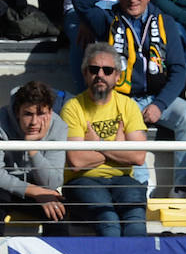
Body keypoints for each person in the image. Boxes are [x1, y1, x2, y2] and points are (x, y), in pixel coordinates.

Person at [71, 0, 186, 196]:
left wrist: (159, 105)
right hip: (121, 99)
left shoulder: (166, 22)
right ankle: (140, 190)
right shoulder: (107, 19)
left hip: (160, 97)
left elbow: (179, 70)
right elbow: (80, 2)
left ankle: (183, 188)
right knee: (128, 128)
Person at [60, 44, 149, 237]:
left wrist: (97, 144)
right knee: (109, 223)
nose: (100, 74)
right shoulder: (72, 108)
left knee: (136, 224)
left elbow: (139, 156)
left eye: (107, 70)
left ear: (117, 77)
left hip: (123, 181)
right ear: (85, 74)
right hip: (83, 181)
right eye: (94, 69)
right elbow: (76, 161)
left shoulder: (128, 106)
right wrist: (117, 149)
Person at [0, 79, 67, 236]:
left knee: (57, 209)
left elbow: (52, 182)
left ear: (49, 113)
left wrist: (33, 150)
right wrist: (35, 191)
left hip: (35, 187)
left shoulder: (58, 126)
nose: (34, 122)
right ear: (17, 112)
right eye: (28, 114)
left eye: (41, 114)